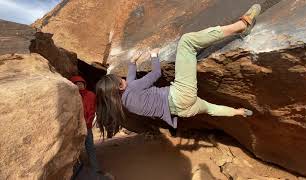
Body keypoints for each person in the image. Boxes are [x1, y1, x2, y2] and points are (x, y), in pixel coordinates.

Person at [96, 4, 261, 138]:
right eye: (120, 79)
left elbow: (131, 83)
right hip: (180, 95)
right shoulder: (131, 89)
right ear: (119, 86)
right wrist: (154, 56)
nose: (122, 77)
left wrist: (132, 64)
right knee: (186, 42)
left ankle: (238, 112)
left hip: (183, 111)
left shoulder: (126, 102)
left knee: (211, 109)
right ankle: (241, 26)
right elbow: (155, 74)